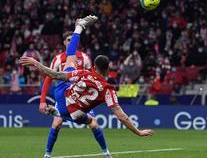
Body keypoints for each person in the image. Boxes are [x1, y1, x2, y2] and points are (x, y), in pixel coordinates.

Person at [20, 14, 154, 153]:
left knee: (70, 62)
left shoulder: (84, 73)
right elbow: (122, 117)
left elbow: (54, 75)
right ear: (108, 69)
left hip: (63, 95)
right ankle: (52, 146)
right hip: (78, 111)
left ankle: (79, 27)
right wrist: (138, 132)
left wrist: (36, 63)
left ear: (94, 67)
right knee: (86, 120)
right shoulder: (109, 90)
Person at [39, 31, 111, 158]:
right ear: (64, 42)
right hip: (64, 96)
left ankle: (106, 153)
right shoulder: (57, 59)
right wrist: (42, 100)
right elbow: (49, 78)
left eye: (73, 40)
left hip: (81, 97)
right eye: (68, 40)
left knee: (94, 124)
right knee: (56, 124)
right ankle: (47, 155)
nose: (70, 42)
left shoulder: (84, 58)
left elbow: (94, 75)